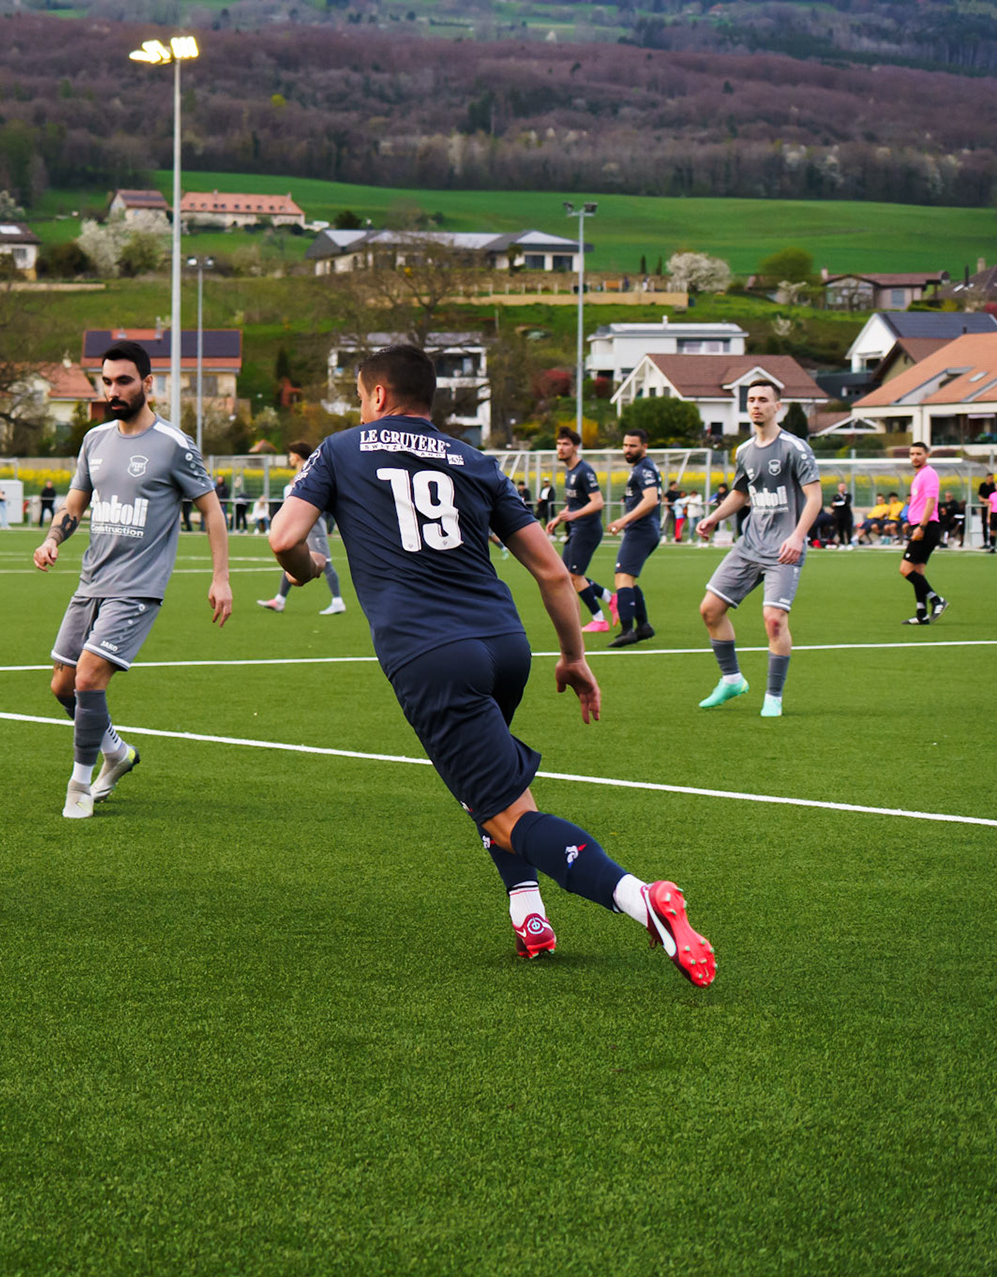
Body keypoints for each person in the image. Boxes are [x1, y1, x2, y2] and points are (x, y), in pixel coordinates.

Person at [269, 344, 714, 986]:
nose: (360, 407)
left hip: (430, 655)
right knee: (491, 786)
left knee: (506, 813)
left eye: (361, 397)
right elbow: (553, 572)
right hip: (505, 645)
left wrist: (308, 568)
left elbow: (285, 538)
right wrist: (573, 656)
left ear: (379, 396)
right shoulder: (474, 460)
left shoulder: (341, 449)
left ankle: (641, 899)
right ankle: (527, 910)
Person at [34, 339, 231, 819]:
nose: (113, 390)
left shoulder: (174, 445)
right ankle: (117, 752)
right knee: (63, 687)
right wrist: (53, 538)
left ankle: (80, 786)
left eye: (123, 381)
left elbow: (211, 510)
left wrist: (220, 577)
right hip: (91, 581)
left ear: (147, 384)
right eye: (106, 382)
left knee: (88, 677)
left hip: (138, 586)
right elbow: (75, 502)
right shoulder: (94, 440)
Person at [694, 384, 822, 718]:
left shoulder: (795, 448)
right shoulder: (744, 451)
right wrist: (713, 517)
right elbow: (741, 493)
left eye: (763, 400)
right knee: (710, 610)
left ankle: (773, 697)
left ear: (777, 407)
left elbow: (815, 497)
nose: (756, 405)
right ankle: (732, 680)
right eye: (751, 400)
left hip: (784, 549)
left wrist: (797, 537)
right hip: (750, 545)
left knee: (774, 620)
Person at [258, 439, 345, 615]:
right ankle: (280, 600)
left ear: (297, 456)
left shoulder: (313, 473)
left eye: (291, 455)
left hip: (314, 528)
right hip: (299, 528)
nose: (289, 459)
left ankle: (338, 601)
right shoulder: (301, 475)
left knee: (326, 562)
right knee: (291, 559)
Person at [542, 429, 611, 632]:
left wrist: (574, 515)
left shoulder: (584, 471)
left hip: (587, 529)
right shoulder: (570, 471)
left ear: (576, 447)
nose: (561, 448)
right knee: (566, 574)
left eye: (565, 444)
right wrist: (558, 518)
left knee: (574, 576)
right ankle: (609, 597)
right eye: (559, 444)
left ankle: (600, 620)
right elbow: (575, 503)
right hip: (577, 527)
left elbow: (598, 502)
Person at [604, 426, 662, 647]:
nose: (627, 450)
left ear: (644, 447)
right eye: (625, 445)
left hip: (642, 530)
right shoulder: (640, 467)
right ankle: (643, 626)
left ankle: (627, 630)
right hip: (642, 530)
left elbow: (651, 499)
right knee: (625, 578)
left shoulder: (644, 468)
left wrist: (623, 520)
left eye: (633, 446)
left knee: (623, 578)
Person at [898, 442, 948, 624]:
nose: (915, 457)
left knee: (905, 570)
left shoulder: (929, 474)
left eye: (919, 453)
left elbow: (931, 501)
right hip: (921, 526)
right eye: (912, 454)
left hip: (926, 527)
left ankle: (936, 599)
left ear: (927, 454)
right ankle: (922, 614)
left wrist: (922, 527)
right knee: (917, 571)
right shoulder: (919, 475)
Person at [830, 483, 854, 549]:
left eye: (843, 486)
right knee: (840, 529)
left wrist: (837, 504)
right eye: (840, 486)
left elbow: (846, 503)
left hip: (847, 515)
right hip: (838, 515)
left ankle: (849, 543)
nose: (842, 488)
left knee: (848, 529)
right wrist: (836, 504)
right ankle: (842, 543)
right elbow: (832, 505)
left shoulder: (848, 495)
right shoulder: (835, 496)